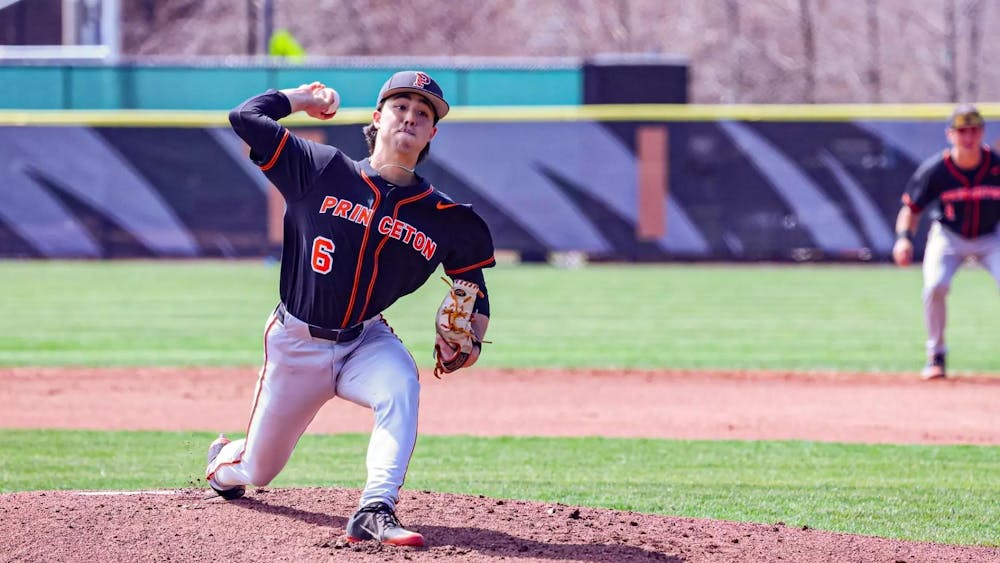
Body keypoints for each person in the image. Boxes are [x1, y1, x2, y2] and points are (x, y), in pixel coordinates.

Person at [205, 70, 495, 547]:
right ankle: (224, 462)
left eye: (423, 113)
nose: (411, 117)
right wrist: (302, 99)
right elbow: (246, 117)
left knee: (401, 383)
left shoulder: (446, 218)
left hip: (366, 340)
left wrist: (471, 340)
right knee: (257, 468)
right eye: (400, 107)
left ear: (432, 134)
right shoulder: (319, 169)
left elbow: (473, 285)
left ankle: (375, 508)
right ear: (378, 118)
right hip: (297, 344)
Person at [891, 104, 1000, 380]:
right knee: (935, 286)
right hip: (949, 236)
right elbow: (911, 209)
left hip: (991, 237)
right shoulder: (936, 170)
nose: (968, 137)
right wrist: (904, 239)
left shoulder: (996, 166)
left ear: (982, 133)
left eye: (974, 130)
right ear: (950, 135)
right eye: (962, 131)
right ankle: (936, 355)